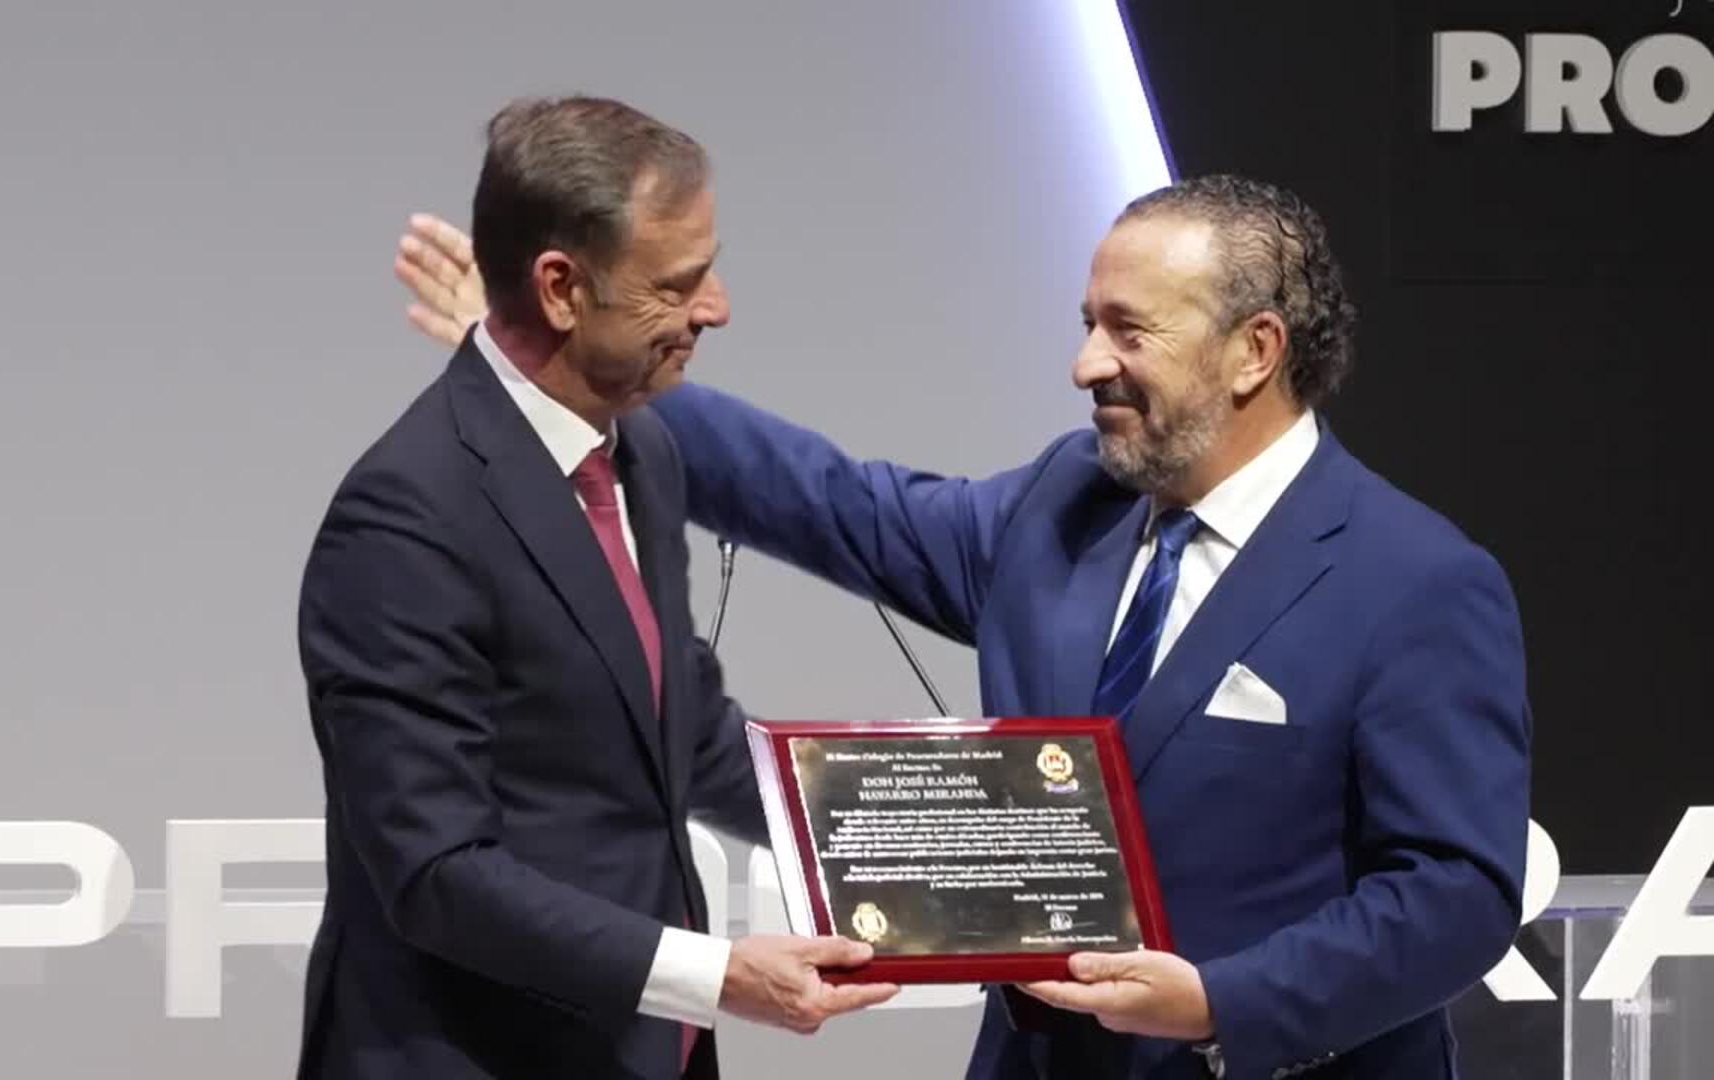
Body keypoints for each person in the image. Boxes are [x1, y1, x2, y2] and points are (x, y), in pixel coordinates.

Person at [393, 173, 1532, 1079]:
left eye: (1129, 331)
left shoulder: (1416, 582)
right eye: (1088, 324)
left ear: (1256, 351)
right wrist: (584, 375)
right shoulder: (1065, 503)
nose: (1087, 364)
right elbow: (836, 504)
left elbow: (1456, 892)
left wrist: (1219, 1004)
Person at [297, 95, 896, 1080]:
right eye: (679, 283)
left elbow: (682, 727)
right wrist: (716, 976)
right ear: (562, 288)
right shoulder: (405, 517)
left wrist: (912, 828)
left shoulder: (644, 453)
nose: (716, 308)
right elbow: (437, 871)